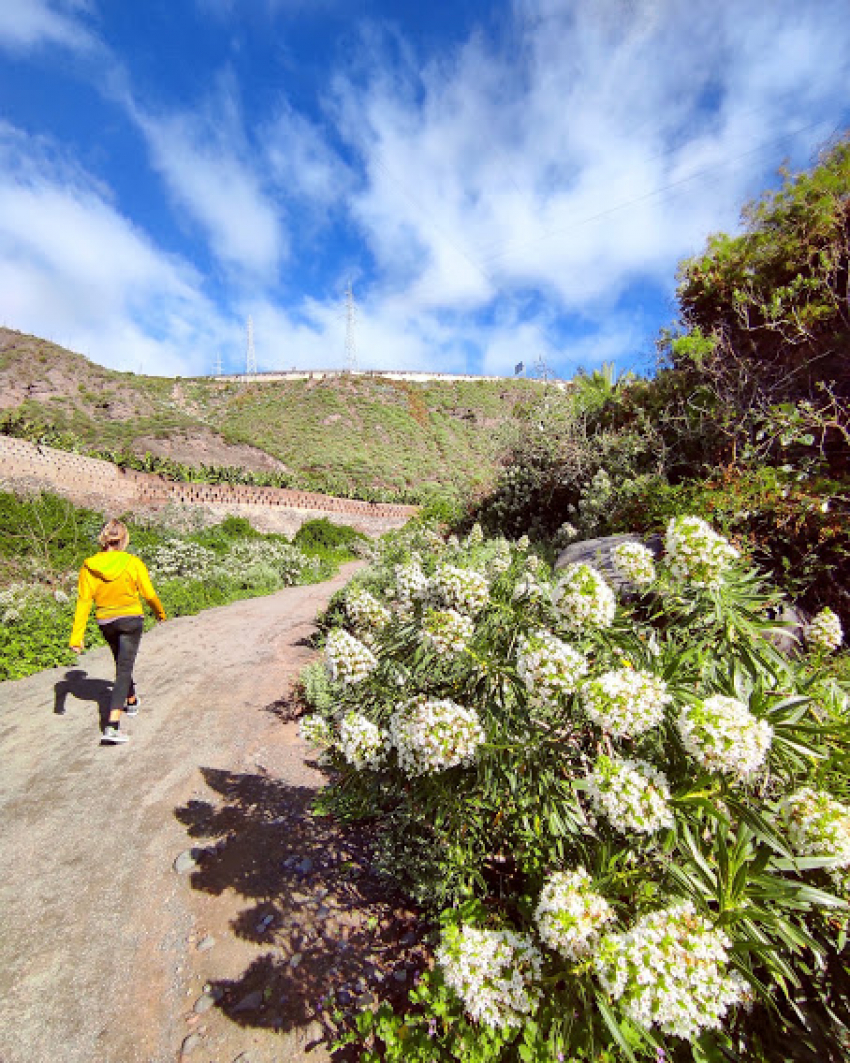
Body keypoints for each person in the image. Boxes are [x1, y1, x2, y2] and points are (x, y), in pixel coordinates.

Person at [69, 519, 166, 744]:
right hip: (131, 619)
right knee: (123, 669)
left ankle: (131, 700)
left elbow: (84, 601)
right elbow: (149, 594)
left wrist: (77, 637)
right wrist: (160, 613)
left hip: (106, 621)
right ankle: (112, 726)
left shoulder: (89, 566)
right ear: (123, 539)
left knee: (122, 662)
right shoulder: (132, 562)